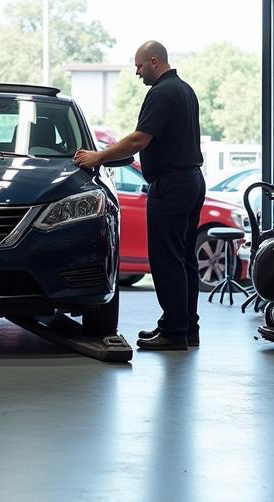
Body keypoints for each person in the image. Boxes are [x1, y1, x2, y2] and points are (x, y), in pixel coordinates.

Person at [74, 40, 205, 351]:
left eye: (139, 65)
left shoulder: (160, 92)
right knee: (185, 258)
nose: (137, 72)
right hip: (192, 181)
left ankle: (173, 332)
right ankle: (187, 327)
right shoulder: (185, 89)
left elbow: (139, 140)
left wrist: (98, 157)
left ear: (155, 61)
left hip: (171, 186)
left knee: (166, 260)